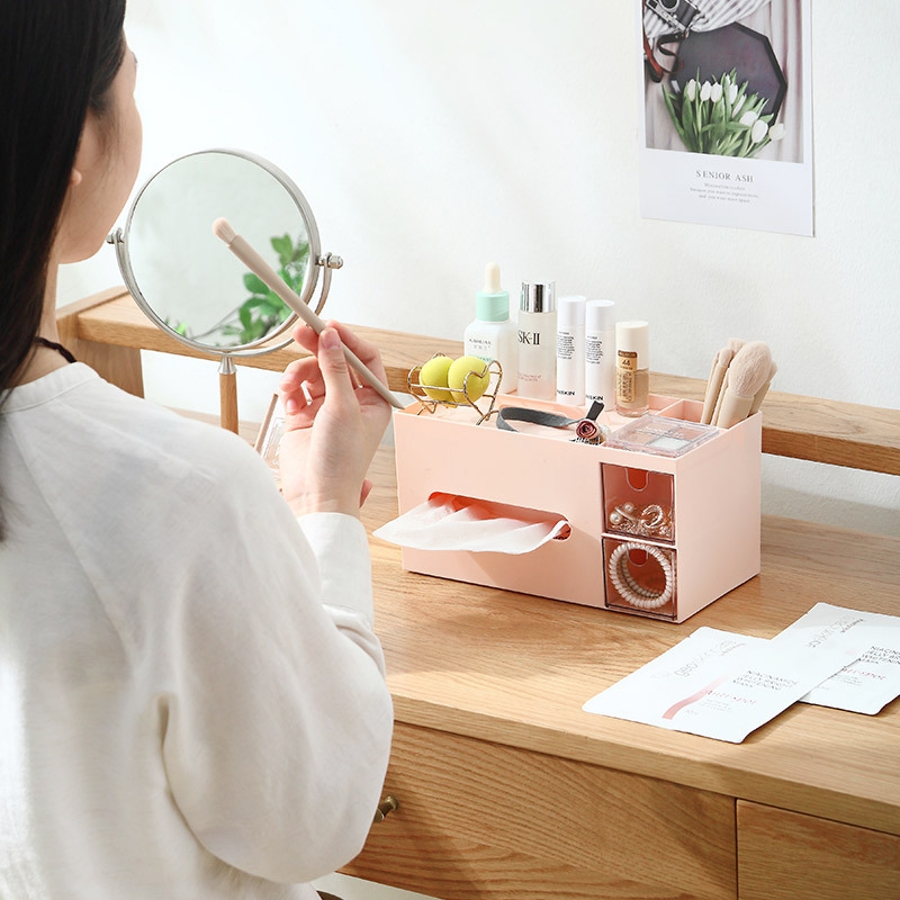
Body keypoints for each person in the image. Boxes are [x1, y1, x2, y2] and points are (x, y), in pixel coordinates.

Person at [0, 2, 394, 898]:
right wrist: (325, 511)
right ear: (79, 142)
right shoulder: (180, 496)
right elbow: (314, 818)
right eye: (131, 88)